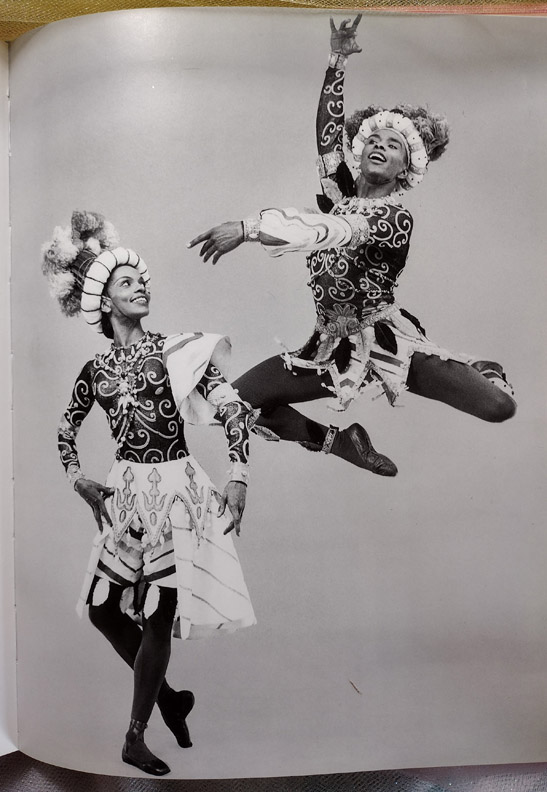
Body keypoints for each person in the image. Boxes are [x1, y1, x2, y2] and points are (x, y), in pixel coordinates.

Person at [188, 15, 516, 478]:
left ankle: (485, 366)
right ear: (358, 152)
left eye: (395, 146)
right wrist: (336, 60)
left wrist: (248, 228)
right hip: (327, 348)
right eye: (374, 140)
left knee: (499, 407)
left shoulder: (392, 216)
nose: (381, 147)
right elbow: (325, 136)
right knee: (227, 403)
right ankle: (340, 441)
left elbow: (329, 231)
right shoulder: (338, 195)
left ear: (407, 168)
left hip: (388, 342)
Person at [42, 210, 256, 776]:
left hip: (175, 491)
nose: (142, 286)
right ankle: (167, 698)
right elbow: (65, 429)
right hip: (124, 492)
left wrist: (237, 476)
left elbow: (234, 408)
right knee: (101, 608)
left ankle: (134, 737)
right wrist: (76, 477)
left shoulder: (176, 351)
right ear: (105, 301)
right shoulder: (95, 369)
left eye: (143, 280)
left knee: (159, 609)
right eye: (127, 282)